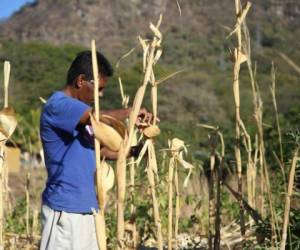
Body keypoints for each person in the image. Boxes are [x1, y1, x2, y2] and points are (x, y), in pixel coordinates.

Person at [39, 51, 151, 250]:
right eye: (98, 88)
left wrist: (137, 150)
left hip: (88, 209)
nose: (100, 95)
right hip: (64, 211)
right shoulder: (58, 105)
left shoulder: (82, 119)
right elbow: (97, 118)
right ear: (81, 80)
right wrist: (130, 113)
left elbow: (101, 152)